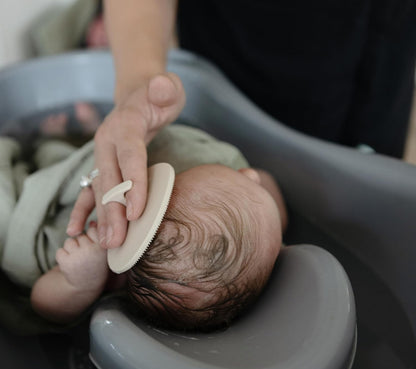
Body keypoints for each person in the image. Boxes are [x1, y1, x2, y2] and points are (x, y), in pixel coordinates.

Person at [67, 0, 416, 258]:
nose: (250, 176)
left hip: (384, 41)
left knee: (369, 173)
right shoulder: (220, 151)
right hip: (240, 63)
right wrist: (136, 88)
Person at [0, 105, 286, 331]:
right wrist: (265, 199)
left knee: (50, 164)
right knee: (105, 157)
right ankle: (81, 134)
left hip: (61, 211)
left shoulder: (107, 273)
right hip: (90, 170)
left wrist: (80, 284)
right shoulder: (265, 237)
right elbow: (266, 186)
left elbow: (43, 305)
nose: (248, 173)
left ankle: (53, 141)